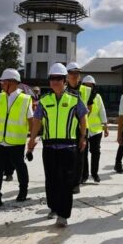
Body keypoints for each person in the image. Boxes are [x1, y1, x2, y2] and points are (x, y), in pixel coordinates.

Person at [27, 63, 88, 227]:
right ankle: (53, 207)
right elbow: (37, 121)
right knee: (52, 180)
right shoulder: (44, 100)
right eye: (52, 79)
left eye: (58, 79)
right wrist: (32, 139)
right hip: (49, 148)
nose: (55, 82)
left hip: (68, 148)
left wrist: (83, 136)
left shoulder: (75, 99)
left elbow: (83, 118)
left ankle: (63, 214)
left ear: (64, 80)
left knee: (66, 181)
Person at [0, 68, 33, 208]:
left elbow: (31, 121)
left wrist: (32, 140)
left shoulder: (25, 99)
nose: (1, 84)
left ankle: (23, 191)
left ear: (12, 82)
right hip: (0, 141)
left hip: (16, 142)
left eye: (3, 81)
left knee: (20, 166)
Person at [65, 61, 97, 193]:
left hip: (81, 129)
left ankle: (76, 183)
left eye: (77, 73)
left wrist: (83, 124)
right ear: (66, 76)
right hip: (66, 128)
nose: (74, 76)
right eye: (72, 73)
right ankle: (68, 179)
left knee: (79, 156)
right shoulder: (62, 89)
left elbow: (89, 109)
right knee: (67, 156)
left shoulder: (87, 90)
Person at [81, 75, 109, 183]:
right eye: (86, 86)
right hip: (84, 129)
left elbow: (102, 111)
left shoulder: (97, 97)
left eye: (90, 86)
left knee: (95, 152)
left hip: (96, 130)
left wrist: (105, 126)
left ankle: (95, 174)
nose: (88, 88)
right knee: (83, 153)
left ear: (94, 87)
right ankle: (84, 175)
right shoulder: (80, 96)